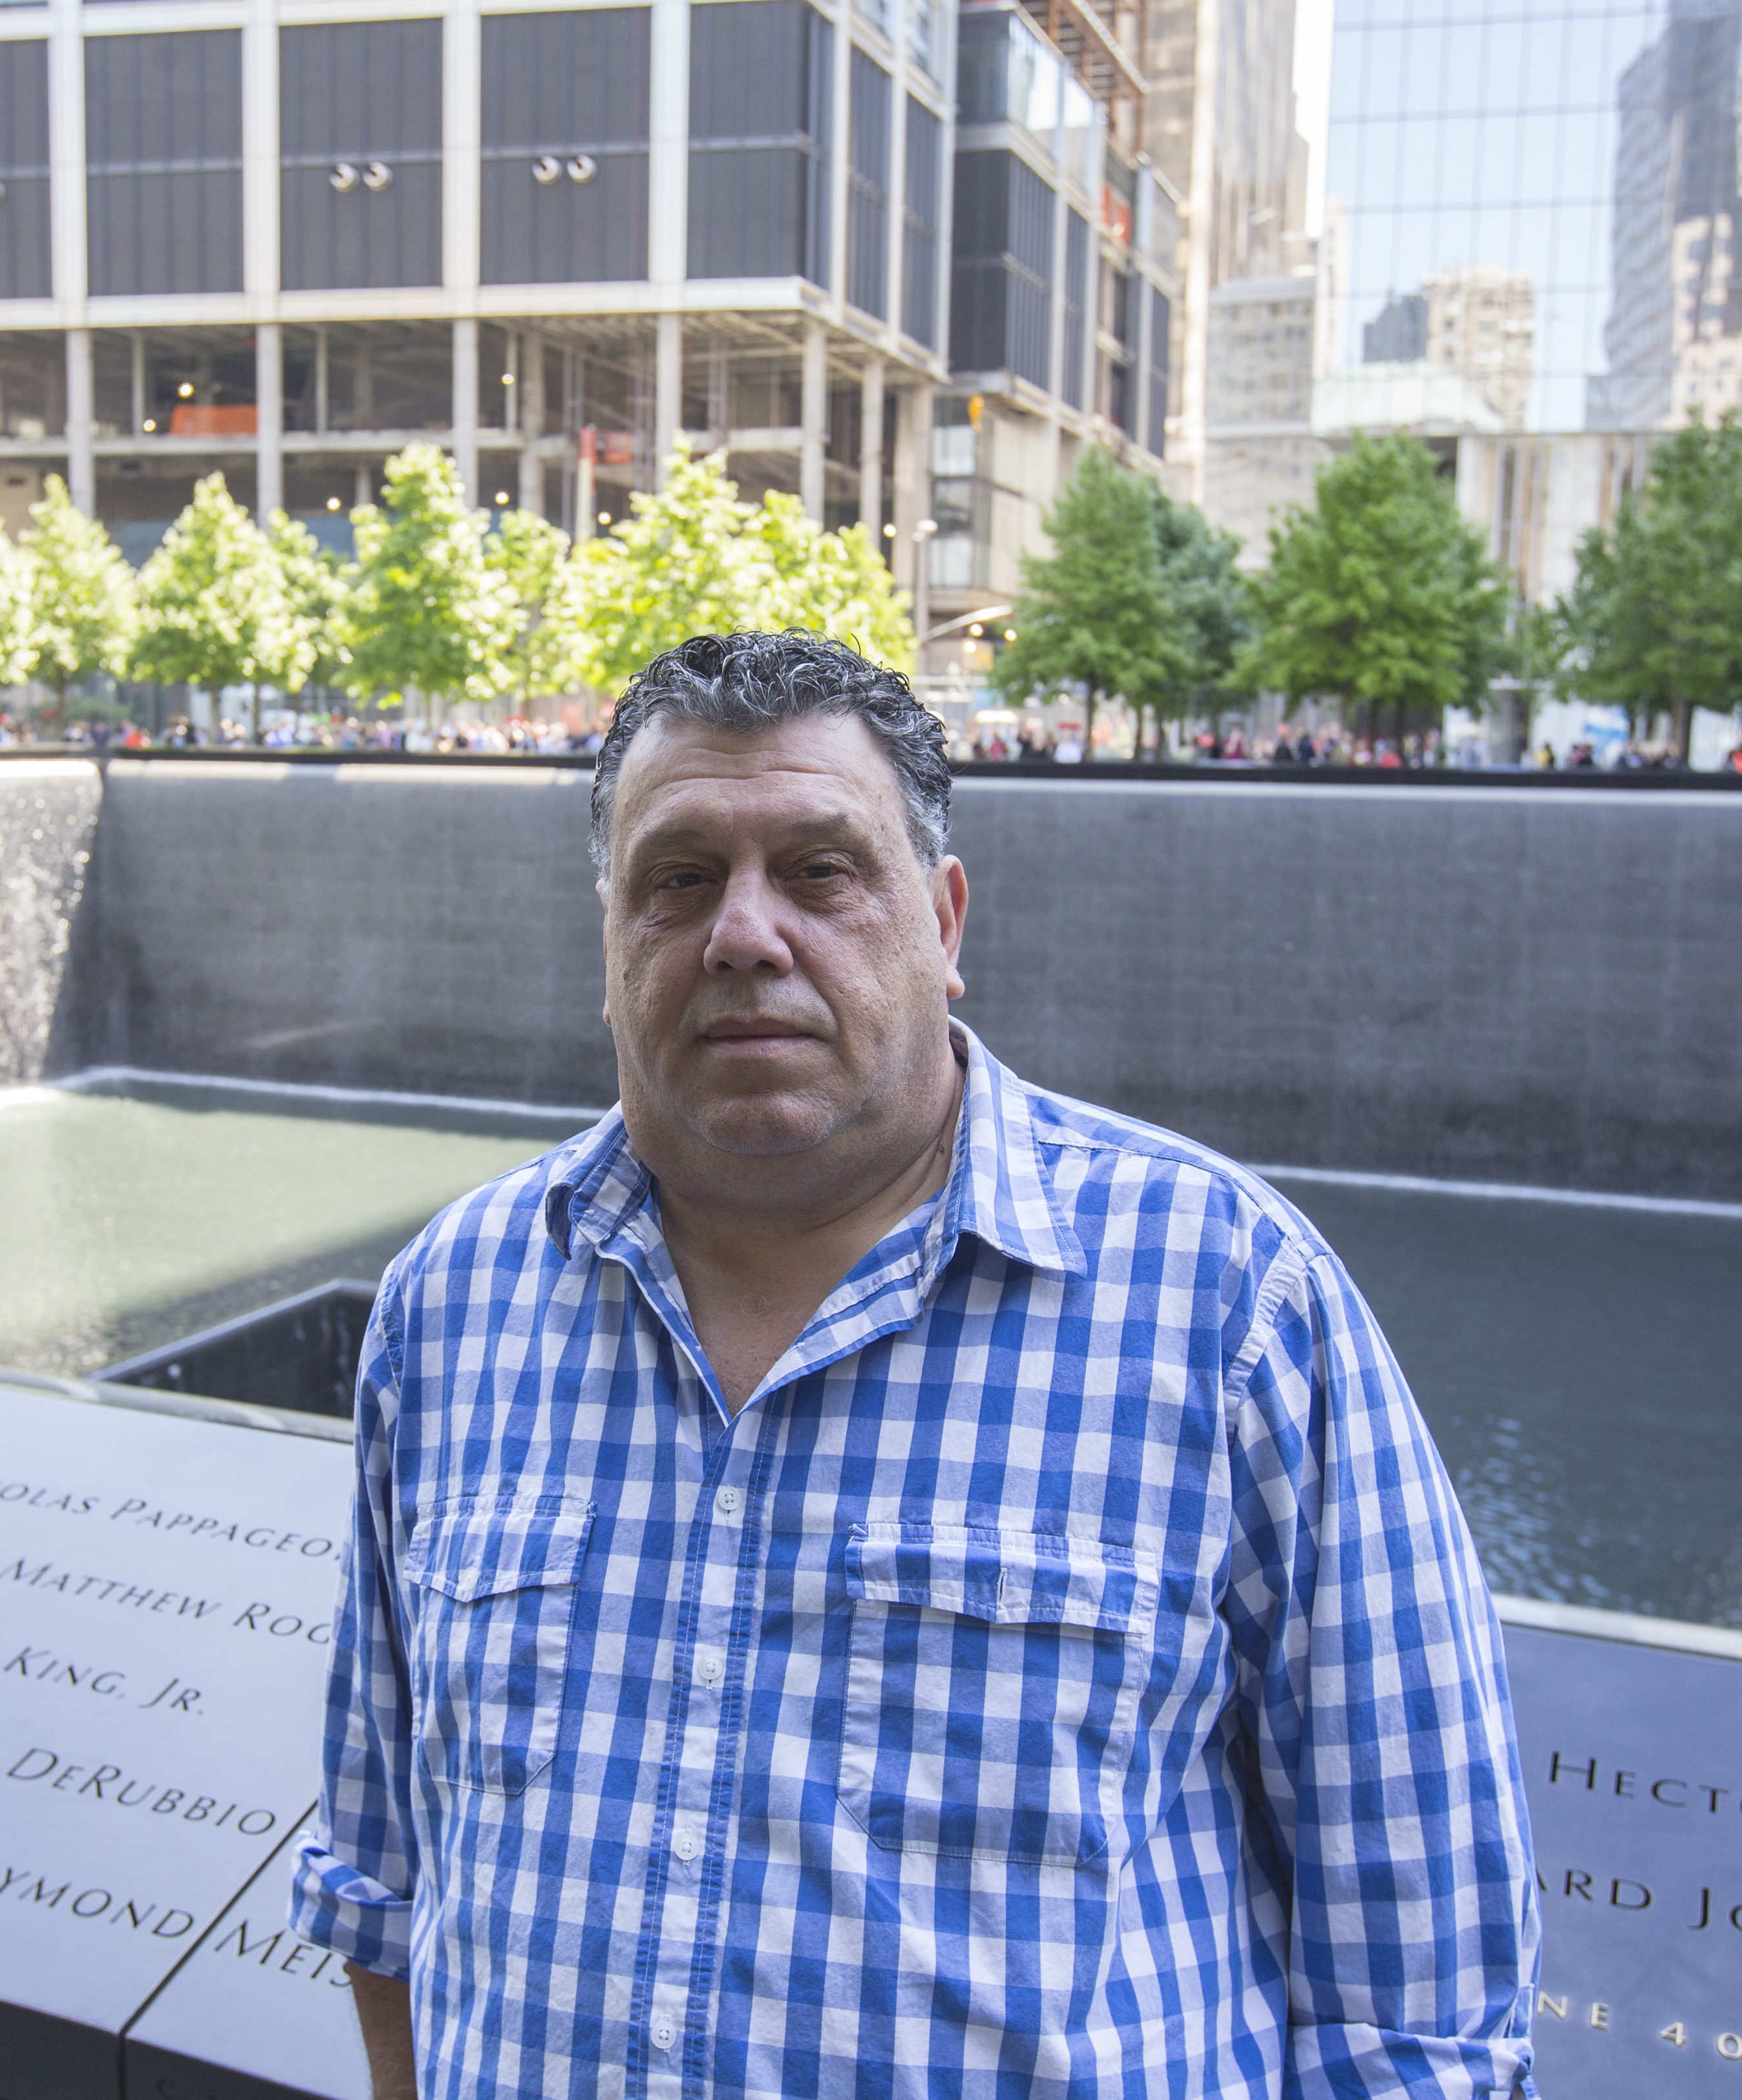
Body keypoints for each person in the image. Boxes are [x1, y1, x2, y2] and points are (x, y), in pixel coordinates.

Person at [290, 632, 1538, 2098]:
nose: (744, 935)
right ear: (609, 941)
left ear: (943, 920)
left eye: (821, 870)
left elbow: (1423, 2000)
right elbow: (384, 1876)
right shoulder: (451, 1306)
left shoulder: (1232, 1303)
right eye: (678, 878)